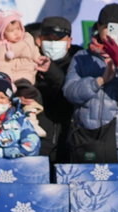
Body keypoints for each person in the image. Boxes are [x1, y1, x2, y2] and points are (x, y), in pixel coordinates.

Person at [63, 3, 118, 163]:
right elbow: (70, 92)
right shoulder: (81, 57)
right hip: (84, 136)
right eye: (107, 26)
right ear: (98, 26)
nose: (111, 32)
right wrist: (99, 81)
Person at [32, 16, 81, 162]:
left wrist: (51, 71)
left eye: (58, 39)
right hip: (37, 144)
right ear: (39, 40)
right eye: (48, 39)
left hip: (69, 144)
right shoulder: (29, 62)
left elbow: (68, 98)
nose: (53, 44)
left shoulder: (79, 63)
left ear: (69, 42)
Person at [0, 9, 42, 85]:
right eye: (11, 31)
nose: (17, 33)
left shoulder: (28, 40)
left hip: (30, 77)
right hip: (13, 81)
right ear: (2, 34)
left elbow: (36, 55)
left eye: (19, 29)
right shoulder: (1, 49)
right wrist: (9, 83)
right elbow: (2, 68)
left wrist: (41, 66)